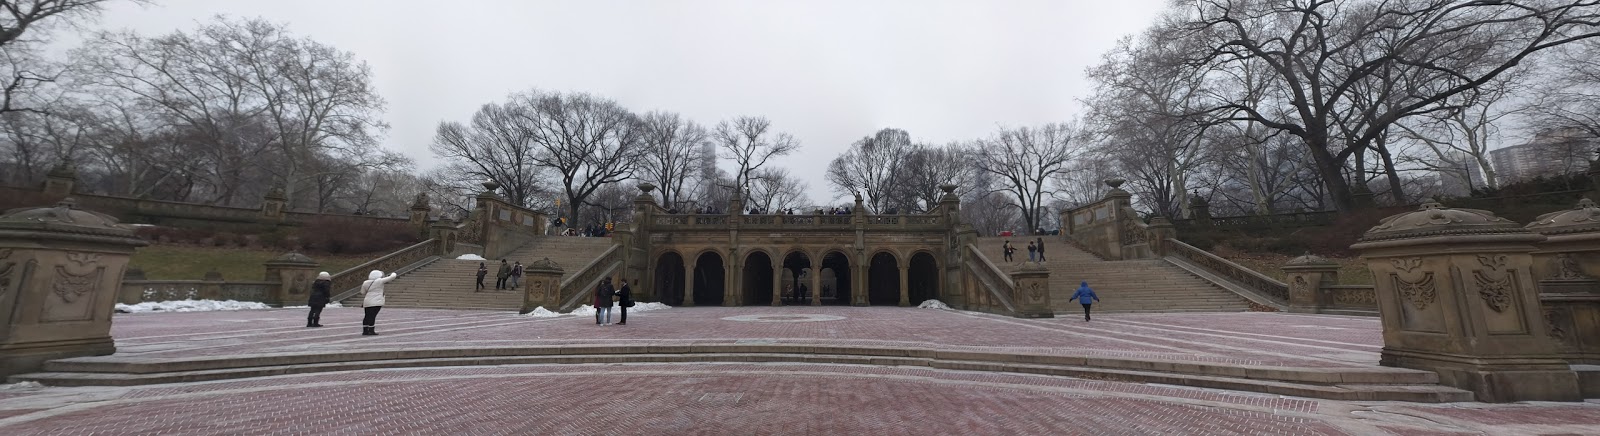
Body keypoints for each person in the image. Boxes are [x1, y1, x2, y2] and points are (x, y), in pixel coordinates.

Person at [361, 270, 398, 335]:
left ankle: (365, 330)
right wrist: (393, 273)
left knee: (367, 315)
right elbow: (392, 277)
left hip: (367, 301)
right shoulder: (379, 281)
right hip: (376, 301)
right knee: (373, 316)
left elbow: (362, 292)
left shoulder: (365, 282)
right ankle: (371, 330)